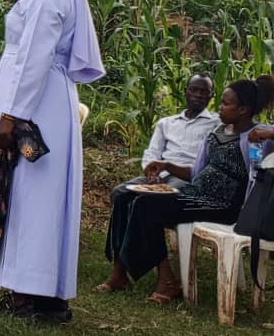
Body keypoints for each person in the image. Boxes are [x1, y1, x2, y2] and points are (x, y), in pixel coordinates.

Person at [0, 0, 106, 323]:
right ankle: (39, 291)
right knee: (37, 196)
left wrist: (11, 116)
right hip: (44, 102)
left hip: (35, 105)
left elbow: (34, 61)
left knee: (32, 196)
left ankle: (31, 292)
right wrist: (24, 0)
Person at [99, 76, 274, 303]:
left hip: (223, 205)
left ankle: (167, 280)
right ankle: (119, 272)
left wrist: (269, 133)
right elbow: (196, 172)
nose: (219, 108)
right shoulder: (217, 132)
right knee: (126, 197)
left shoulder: (257, 137)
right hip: (196, 195)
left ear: (243, 109)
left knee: (145, 205)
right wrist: (167, 165)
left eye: (225, 103)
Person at [109, 75, 219, 200]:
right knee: (119, 193)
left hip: (186, 177)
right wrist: (151, 172)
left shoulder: (217, 124)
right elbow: (153, 152)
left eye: (204, 92)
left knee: (162, 197)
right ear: (185, 91)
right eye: (193, 90)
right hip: (160, 174)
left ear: (211, 95)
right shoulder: (166, 123)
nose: (198, 95)